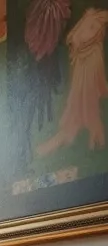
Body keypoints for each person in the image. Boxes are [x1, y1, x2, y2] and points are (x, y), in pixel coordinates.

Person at [37, 5, 108, 156]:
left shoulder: (99, 22)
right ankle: (90, 135)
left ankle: (94, 135)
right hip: (82, 59)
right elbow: (75, 35)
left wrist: (77, 41)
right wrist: (74, 40)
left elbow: (90, 34)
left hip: (89, 59)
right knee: (78, 98)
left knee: (88, 100)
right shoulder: (90, 15)